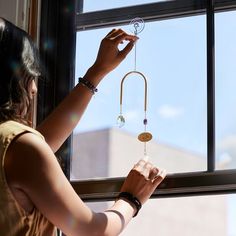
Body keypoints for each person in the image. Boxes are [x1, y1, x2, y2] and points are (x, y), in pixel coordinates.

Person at [0, 17, 166, 236]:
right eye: (30, 76)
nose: (34, 90)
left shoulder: (14, 145)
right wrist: (131, 198)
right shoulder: (20, 146)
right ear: (11, 78)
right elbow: (91, 231)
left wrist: (97, 71)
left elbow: (41, 143)